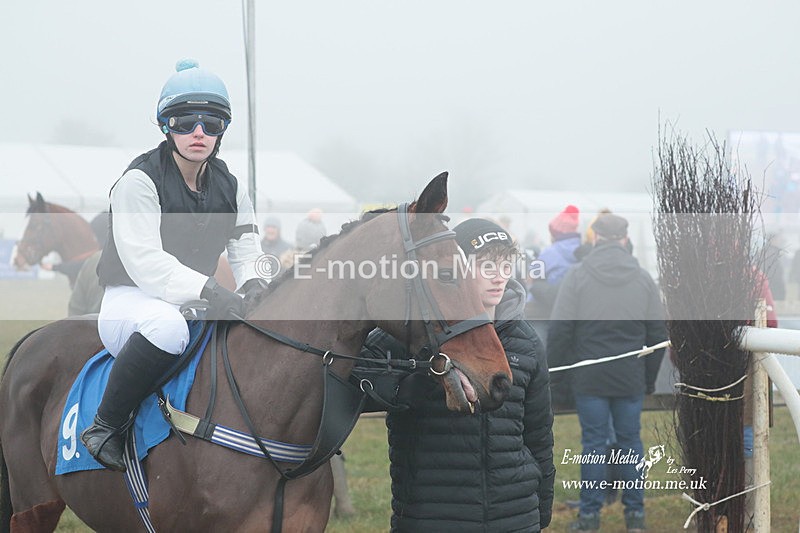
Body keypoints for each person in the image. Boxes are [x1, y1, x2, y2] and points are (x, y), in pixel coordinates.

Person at [80, 59, 268, 472]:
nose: (199, 132)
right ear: (167, 126)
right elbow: (146, 263)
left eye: (212, 122)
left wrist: (254, 283)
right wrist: (210, 290)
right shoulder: (138, 182)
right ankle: (105, 426)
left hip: (194, 299)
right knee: (168, 328)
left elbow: (245, 244)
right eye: (185, 121)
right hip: (132, 301)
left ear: (223, 129)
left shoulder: (231, 186)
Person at [360, 218, 555, 532]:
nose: (500, 277)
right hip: (433, 513)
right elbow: (357, 377)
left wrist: (540, 510)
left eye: (506, 266)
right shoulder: (412, 335)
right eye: (487, 266)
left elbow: (540, 436)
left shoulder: (527, 342)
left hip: (515, 514)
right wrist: (425, 378)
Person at [547, 213, 666, 533]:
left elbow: (560, 331)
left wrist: (556, 375)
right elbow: (658, 335)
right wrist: (648, 379)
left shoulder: (578, 275)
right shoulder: (642, 278)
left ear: (595, 238)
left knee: (594, 446)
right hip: (629, 378)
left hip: (590, 377)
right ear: (625, 240)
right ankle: (635, 518)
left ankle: (589, 518)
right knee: (630, 444)